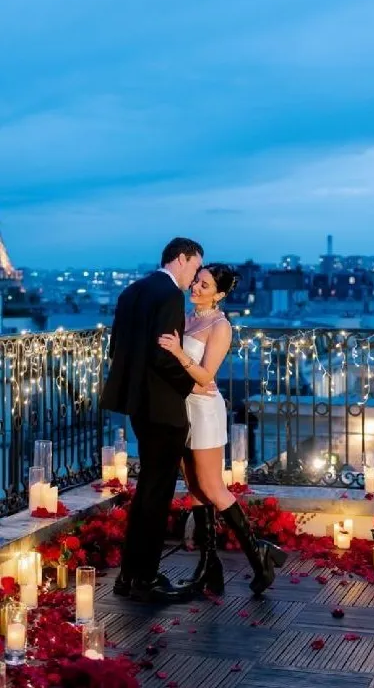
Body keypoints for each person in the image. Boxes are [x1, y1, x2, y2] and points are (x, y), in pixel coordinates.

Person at [158, 263, 287, 596]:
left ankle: (258, 554)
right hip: (182, 408)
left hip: (204, 411)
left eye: (204, 285)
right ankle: (207, 566)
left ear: (220, 293)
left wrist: (177, 354)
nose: (196, 288)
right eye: (196, 282)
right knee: (195, 489)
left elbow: (205, 376)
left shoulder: (220, 325)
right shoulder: (185, 319)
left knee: (213, 487)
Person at [100, 237, 216, 603]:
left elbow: (117, 348)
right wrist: (194, 385)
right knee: (156, 494)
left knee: (146, 491)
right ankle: (144, 578)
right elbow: (164, 356)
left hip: (139, 407)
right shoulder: (168, 296)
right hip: (164, 409)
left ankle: (130, 576)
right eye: (196, 267)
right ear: (181, 260)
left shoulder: (132, 291)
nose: (195, 275)